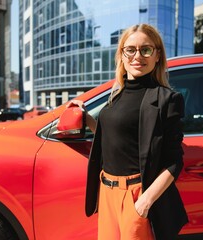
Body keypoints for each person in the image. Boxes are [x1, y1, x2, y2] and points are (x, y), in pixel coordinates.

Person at [68, 24, 188, 239]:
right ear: (122, 54)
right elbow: (116, 137)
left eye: (146, 49)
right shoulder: (116, 95)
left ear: (157, 55)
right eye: (130, 49)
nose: (137, 56)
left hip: (136, 196)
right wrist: (85, 118)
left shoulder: (167, 99)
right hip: (106, 193)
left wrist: (145, 202)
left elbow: (174, 161)